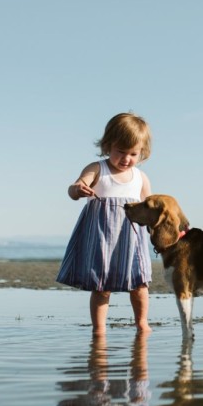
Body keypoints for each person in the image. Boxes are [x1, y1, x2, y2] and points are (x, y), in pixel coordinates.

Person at [57, 112, 153, 334]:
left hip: (132, 239)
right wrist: (78, 189)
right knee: (102, 286)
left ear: (142, 153)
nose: (126, 158)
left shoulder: (140, 178)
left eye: (133, 153)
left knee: (139, 283)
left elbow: (150, 208)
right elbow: (74, 188)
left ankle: (142, 323)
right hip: (101, 236)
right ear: (108, 145)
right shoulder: (97, 168)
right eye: (121, 151)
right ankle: (99, 329)